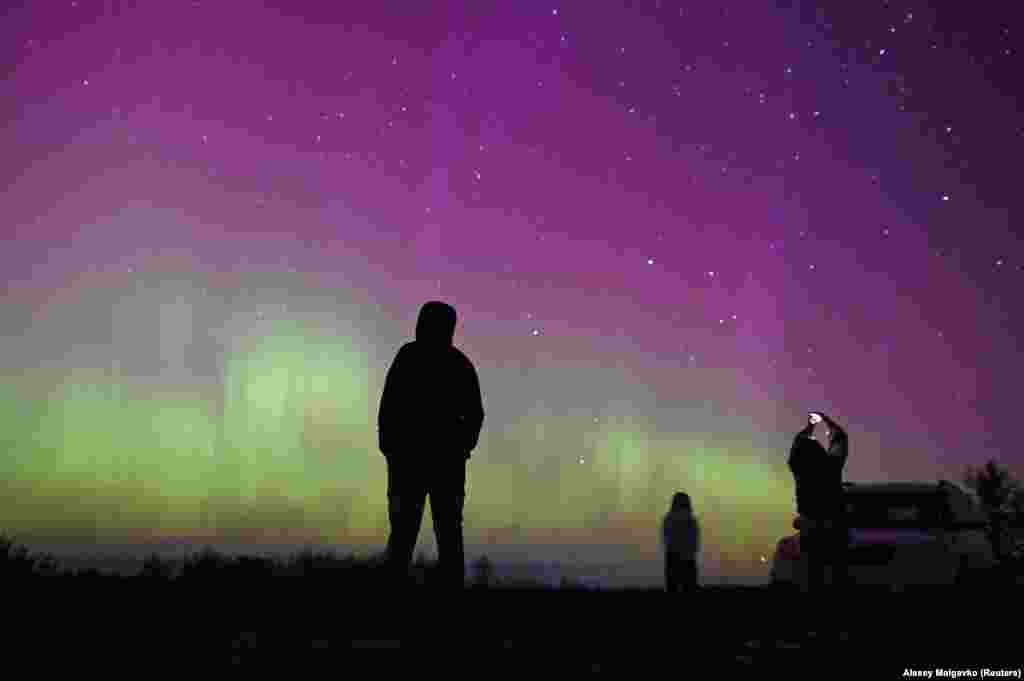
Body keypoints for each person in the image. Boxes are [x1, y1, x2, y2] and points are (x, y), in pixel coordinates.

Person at [377, 301, 485, 590]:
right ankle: (398, 590)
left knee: (443, 532)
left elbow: (475, 414)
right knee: (407, 531)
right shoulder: (413, 357)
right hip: (412, 460)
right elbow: (389, 408)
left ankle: (445, 592)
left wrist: (462, 447)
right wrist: (390, 447)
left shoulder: (454, 364)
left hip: (439, 462)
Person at [787, 411, 850, 640]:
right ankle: (835, 627)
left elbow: (796, 447)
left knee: (812, 579)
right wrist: (826, 421)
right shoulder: (831, 466)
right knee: (835, 579)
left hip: (811, 531)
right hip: (833, 531)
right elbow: (840, 438)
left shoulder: (799, 469)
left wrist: (809, 427)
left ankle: (811, 628)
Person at [661, 491, 700, 593]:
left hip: (672, 555)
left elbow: (666, 537)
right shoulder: (691, 519)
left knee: (672, 586)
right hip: (688, 556)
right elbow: (695, 538)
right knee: (689, 586)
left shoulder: (668, 518)